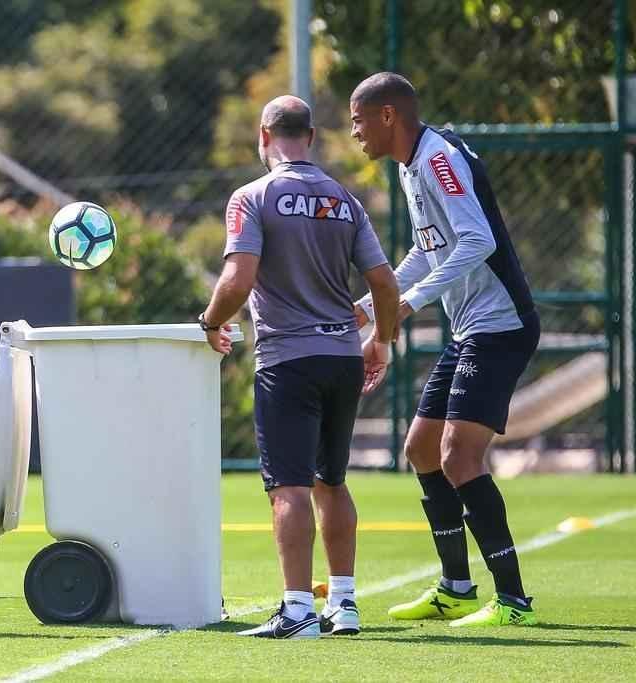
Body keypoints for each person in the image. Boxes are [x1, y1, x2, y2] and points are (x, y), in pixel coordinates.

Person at [201, 95, 399, 639]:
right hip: (341, 359)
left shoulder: (252, 197)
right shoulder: (345, 200)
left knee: (287, 487)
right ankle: (344, 604)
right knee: (331, 482)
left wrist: (208, 321)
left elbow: (238, 281)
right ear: (310, 137)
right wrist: (380, 341)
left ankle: (295, 610)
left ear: (263, 137)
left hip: (288, 360)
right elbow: (383, 282)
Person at [349, 72, 540, 627]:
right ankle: (455, 587)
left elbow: (478, 239)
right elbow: (430, 250)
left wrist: (405, 305)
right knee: (422, 449)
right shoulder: (413, 166)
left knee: (459, 455)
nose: (356, 132)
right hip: (468, 329)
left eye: (360, 120)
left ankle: (513, 601)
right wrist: (369, 306)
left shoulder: (437, 159)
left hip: (499, 325)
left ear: (389, 115)